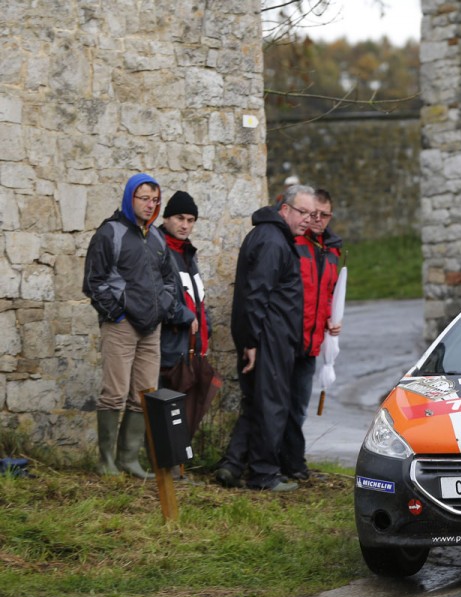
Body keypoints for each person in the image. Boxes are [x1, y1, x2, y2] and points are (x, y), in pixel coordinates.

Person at [83, 173, 193, 478]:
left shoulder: (156, 237)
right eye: (144, 198)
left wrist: (164, 308)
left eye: (155, 199)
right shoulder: (110, 233)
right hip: (120, 326)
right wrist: (117, 314)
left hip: (151, 328)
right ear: (130, 197)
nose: (150, 204)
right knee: (114, 393)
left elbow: (169, 279)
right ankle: (106, 462)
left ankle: (129, 460)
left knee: (144, 393)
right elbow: (94, 281)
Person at [214, 184, 314, 492]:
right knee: (272, 404)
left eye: (312, 214)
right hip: (270, 336)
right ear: (285, 209)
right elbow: (256, 295)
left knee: (258, 403)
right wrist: (253, 343)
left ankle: (232, 465)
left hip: (271, 335)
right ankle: (263, 474)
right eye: (302, 212)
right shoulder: (273, 241)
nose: (308, 219)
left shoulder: (272, 237)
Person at [280, 188, 343, 481]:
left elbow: (328, 292)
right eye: (312, 213)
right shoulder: (293, 242)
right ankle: (285, 461)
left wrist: (333, 318)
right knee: (281, 403)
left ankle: (293, 461)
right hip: (288, 336)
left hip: (313, 341)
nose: (317, 220)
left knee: (300, 406)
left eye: (324, 214)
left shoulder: (332, 250)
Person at [158, 191, 210, 480]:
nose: (185, 225)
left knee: (185, 408)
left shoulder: (188, 253)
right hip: (169, 345)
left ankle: (177, 467)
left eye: (191, 220)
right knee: (168, 408)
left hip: (191, 347)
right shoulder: (159, 248)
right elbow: (159, 295)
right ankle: (166, 469)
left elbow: (198, 298)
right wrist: (183, 316)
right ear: (167, 218)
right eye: (180, 218)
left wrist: (207, 329)